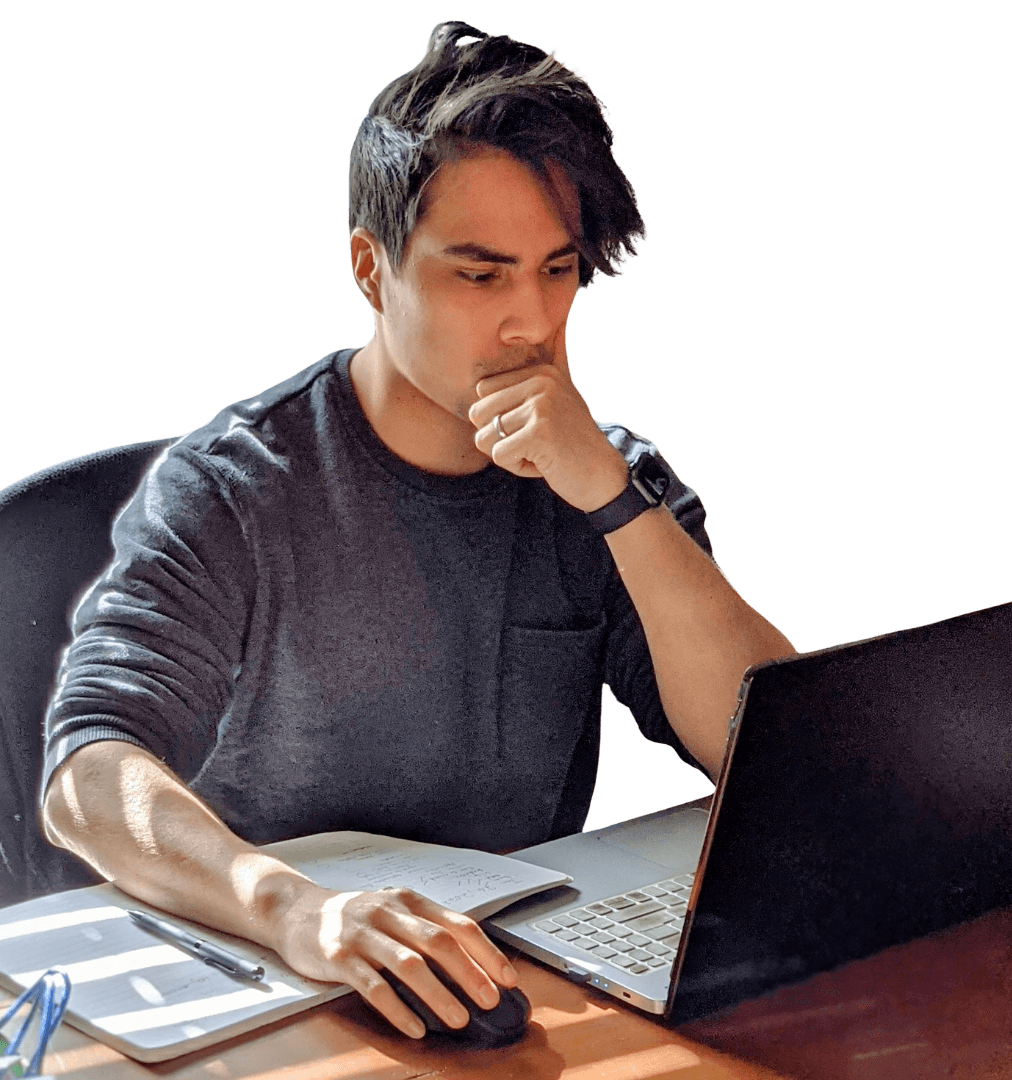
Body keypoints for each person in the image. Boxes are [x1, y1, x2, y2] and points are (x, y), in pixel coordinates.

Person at [41, 22, 795, 1039]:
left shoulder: (611, 482)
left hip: (500, 979)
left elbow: (768, 755)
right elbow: (89, 774)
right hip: (279, 985)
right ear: (370, 267)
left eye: (557, 270)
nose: (529, 320)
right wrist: (291, 909)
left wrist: (615, 504)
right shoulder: (236, 486)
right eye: (478, 276)